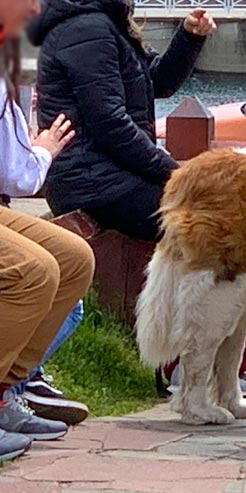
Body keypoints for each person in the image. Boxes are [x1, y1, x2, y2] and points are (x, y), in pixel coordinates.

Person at [27, 0, 216, 241]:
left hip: (106, 177)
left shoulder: (102, 21)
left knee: (212, 212)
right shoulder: (86, 29)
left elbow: (158, 81)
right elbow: (110, 124)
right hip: (94, 184)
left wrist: (189, 38)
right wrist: (171, 171)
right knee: (213, 219)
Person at [0, 0, 95, 463]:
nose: (38, 6)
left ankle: (5, 392)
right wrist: (44, 150)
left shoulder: (14, 51)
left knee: (75, 257)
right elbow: (19, 176)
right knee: (33, 269)